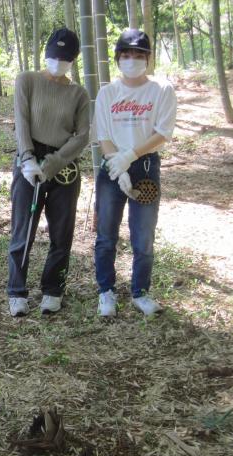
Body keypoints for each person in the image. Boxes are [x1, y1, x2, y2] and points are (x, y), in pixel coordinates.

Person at [93, 29, 177, 317]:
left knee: (143, 235)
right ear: (117, 59)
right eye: (126, 55)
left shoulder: (161, 90)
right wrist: (117, 166)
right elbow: (103, 134)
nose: (131, 60)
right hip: (112, 168)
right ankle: (106, 291)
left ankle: (140, 291)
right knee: (106, 234)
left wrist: (131, 156)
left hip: (145, 168)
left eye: (138, 55)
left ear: (147, 59)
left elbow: (163, 132)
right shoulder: (107, 93)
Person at [7, 28, 90, 317]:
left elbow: (81, 136)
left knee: (61, 231)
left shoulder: (78, 93)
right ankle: (16, 291)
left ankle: (53, 289)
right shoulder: (26, 80)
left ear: (74, 60)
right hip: (28, 162)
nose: (59, 62)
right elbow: (21, 119)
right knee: (23, 230)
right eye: (55, 56)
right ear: (46, 54)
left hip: (64, 167)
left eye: (65, 58)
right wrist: (28, 159)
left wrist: (52, 164)